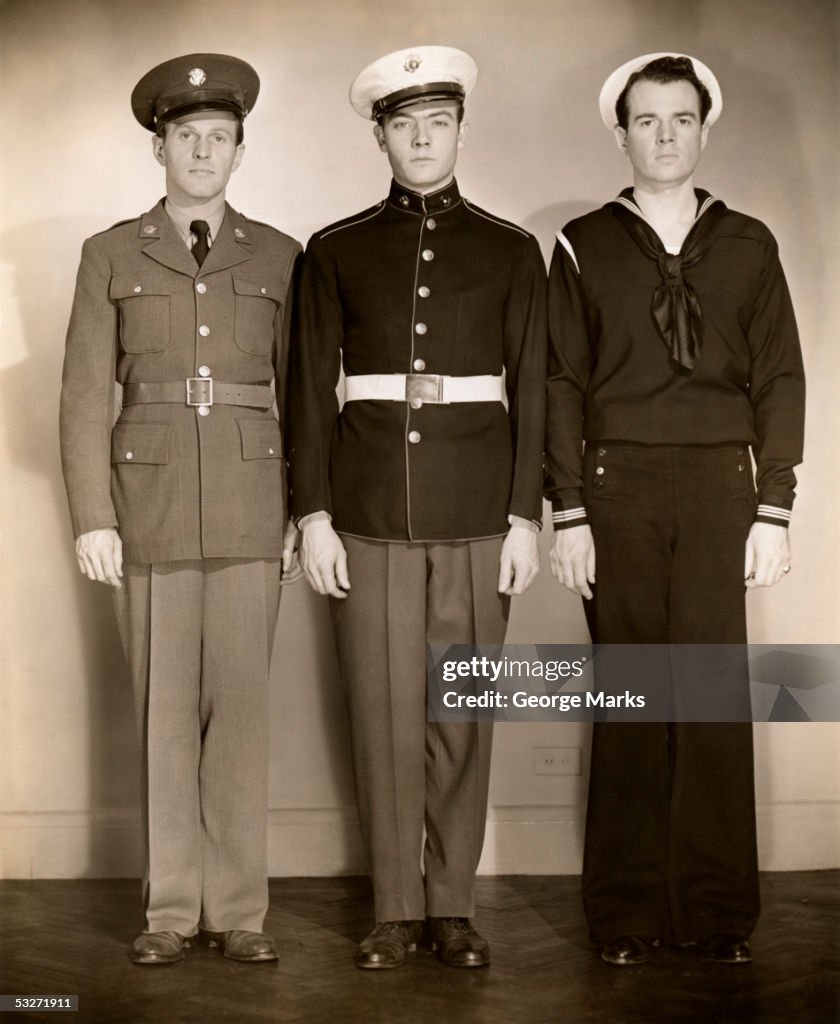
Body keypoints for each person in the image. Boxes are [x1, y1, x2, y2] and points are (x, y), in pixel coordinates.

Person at [287, 45, 546, 969]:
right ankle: (396, 908)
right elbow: (309, 390)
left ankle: (453, 905)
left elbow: (538, 391)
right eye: (403, 123)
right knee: (384, 710)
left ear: (461, 129)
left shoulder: (512, 251)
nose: (422, 137)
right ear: (380, 136)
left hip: (480, 511)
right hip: (367, 513)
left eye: (437, 121)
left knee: (462, 715)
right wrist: (312, 514)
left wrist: (526, 517)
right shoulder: (336, 250)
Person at [544, 53, 805, 966]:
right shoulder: (582, 242)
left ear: (703, 128)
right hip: (615, 485)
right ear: (620, 133)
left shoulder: (750, 243)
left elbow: (780, 379)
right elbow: (561, 381)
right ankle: (623, 913)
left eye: (681, 118)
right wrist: (567, 512)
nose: (664, 135)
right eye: (647, 120)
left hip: (716, 486)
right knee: (629, 693)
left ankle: (717, 911)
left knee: (707, 692)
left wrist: (774, 506)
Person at [59, 53, 301, 965]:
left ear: (241, 152)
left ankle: (238, 914)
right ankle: (169, 913)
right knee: (164, 713)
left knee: (241, 712)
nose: (203, 151)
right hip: (148, 503)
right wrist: (93, 514)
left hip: (251, 500)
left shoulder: (279, 254)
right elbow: (85, 393)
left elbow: (305, 392)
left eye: (220, 138)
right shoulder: (112, 253)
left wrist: (301, 511)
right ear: (161, 146)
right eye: (187, 136)